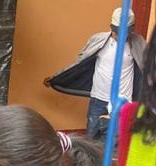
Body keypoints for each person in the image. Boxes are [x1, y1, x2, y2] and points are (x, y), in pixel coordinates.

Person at [45, 7, 146, 141]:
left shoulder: (138, 43)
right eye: (116, 32)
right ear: (111, 27)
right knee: (92, 139)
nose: (119, 36)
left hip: (122, 102)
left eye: (124, 32)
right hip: (98, 100)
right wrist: (56, 78)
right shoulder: (98, 40)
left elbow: (148, 68)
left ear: (132, 29)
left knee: (115, 142)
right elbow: (79, 64)